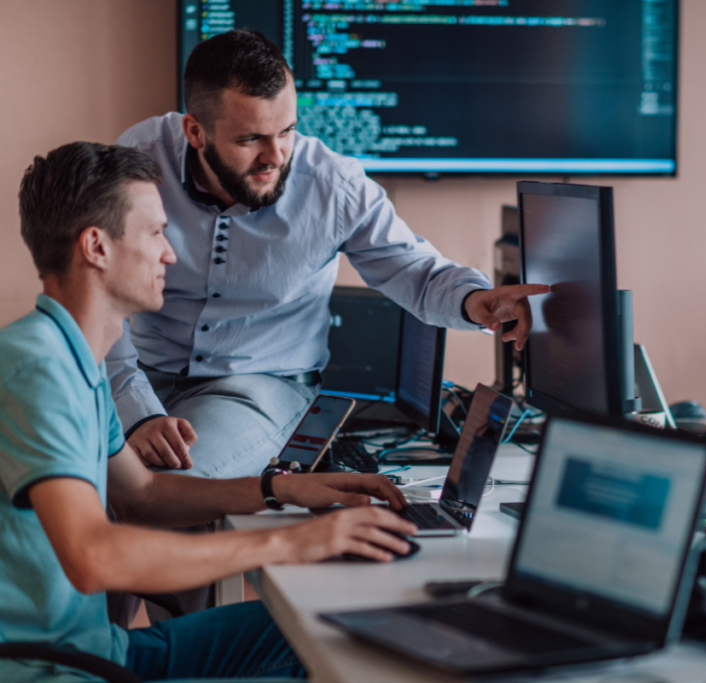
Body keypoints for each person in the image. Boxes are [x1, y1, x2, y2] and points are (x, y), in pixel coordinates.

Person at [1, 140, 418, 683]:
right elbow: (92, 556)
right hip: (56, 672)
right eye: (154, 233)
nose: (169, 254)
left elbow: (143, 497)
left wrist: (281, 489)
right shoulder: (37, 368)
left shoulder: (78, 364)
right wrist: (294, 540)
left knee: (328, 625)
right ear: (97, 247)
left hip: (103, 650)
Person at [108, 29, 548, 479]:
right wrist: (135, 407)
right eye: (250, 140)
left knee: (167, 484)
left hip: (260, 387)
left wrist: (477, 301)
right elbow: (97, 293)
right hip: (140, 374)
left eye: (287, 131)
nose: (274, 157)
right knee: (62, 473)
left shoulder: (333, 186)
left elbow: (416, 270)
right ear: (195, 131)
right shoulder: (139, 163)